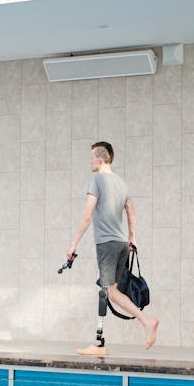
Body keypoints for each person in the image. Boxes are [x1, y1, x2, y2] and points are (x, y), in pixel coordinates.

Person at [67, 141, 159, 355]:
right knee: (112, 290)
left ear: (100, 159)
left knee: (109, 290)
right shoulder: (122, 183)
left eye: (91, 158)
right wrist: (132, 238)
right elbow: (132, 212)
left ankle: (145, 322)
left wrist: (73, 243)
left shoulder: (97, 180)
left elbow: (87, 214)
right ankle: (101, 342)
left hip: (107, 243)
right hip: (122, 244)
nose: (90, 162)